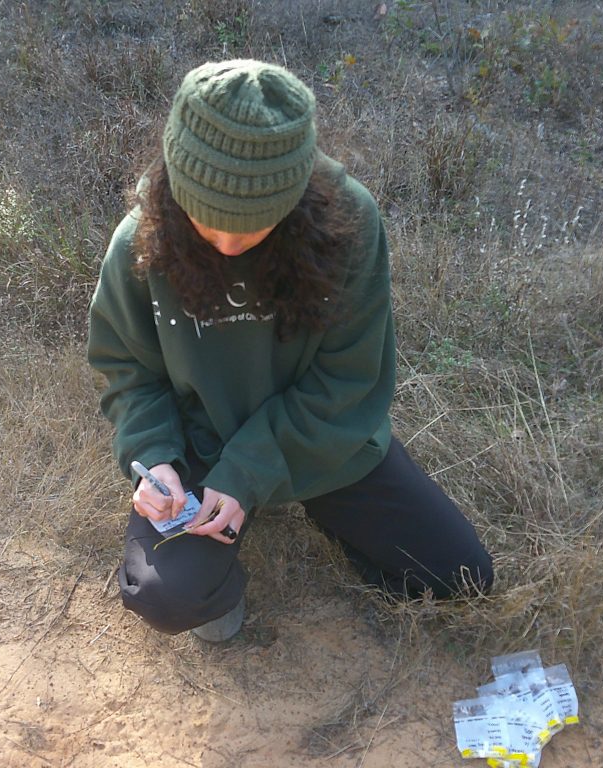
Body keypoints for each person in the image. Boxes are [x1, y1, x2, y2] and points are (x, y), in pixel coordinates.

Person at [87, 59, 493, 642]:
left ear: (296, 198)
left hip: (319, 442)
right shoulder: (141, 237)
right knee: (166, 595)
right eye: (207, 223)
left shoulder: (349, 224)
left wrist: (249, 474)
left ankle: (313, 500)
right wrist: (155, 457)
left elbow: (347, 381)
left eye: (253, 226)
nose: (227, 245)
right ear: (176, 189)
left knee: (462, 577)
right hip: (201, 441)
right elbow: (128, 368)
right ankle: (214, 575)